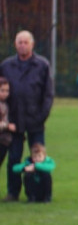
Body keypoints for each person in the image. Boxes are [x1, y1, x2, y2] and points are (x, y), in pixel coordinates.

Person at [0, 30, 54, 202]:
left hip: (35, 121)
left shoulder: (42, 65)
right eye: (19, 42)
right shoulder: (6, 65)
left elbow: (48, 94)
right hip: (14, 121)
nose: (22, 45)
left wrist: (41, 117)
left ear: (32, 44)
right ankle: (12, 193)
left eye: (25, 42)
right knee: (14, 158)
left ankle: (41, 194)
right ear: (15, 44)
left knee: (39, 158)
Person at [0, 77, 16, 180]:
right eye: (2, 90)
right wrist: (7, 126)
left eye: (7, 90)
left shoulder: (5, 104)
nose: (5, 93)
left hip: (4, 141)